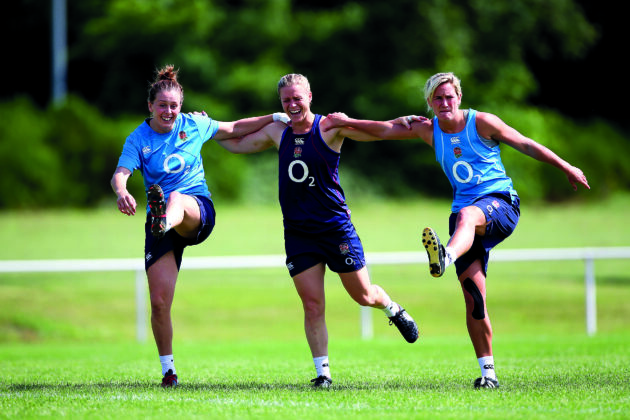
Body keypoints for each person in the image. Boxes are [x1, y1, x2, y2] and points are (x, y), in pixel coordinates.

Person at [323, 72, 590, 388]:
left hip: (500, 203)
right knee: (474, 299)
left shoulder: (482, 123)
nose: (445, 102)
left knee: (467, 214)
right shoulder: (428, 130)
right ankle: (488, 375)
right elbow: (383, 130)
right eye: (438, 98)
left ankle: (445, 256)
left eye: (449, 96)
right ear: (430, 104)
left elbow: (526, 144)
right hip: (463, 224)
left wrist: (567, 167)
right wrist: (344, 121)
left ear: (459, 97)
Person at [215, 73, 419, 388]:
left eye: (297, 98)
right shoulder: (276, 131)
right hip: (298, 233)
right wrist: (203, 129)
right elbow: (237, 143)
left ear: (310, 95)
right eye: (286, 100)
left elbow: (378, 132)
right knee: (312, 305)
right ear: (280, 103)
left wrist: (403, 121)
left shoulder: (330, 128)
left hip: (335, 229)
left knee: (364, 295)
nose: (293, 104)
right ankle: (323, 374)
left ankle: (392, 308)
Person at [110, 64, 290, 388]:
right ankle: (168, 371)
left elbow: (235, 127)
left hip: (195, 211)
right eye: (162, 105)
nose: (168, 111)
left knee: (175, 197)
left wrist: (273, 117)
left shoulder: (194, 124)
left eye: (173, 106)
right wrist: (122, 191)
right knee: (160, 303)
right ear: (150, 106)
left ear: (181, 107)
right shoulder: (138, 138)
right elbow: (121, 173)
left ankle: (162, 220)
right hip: (161, 222)